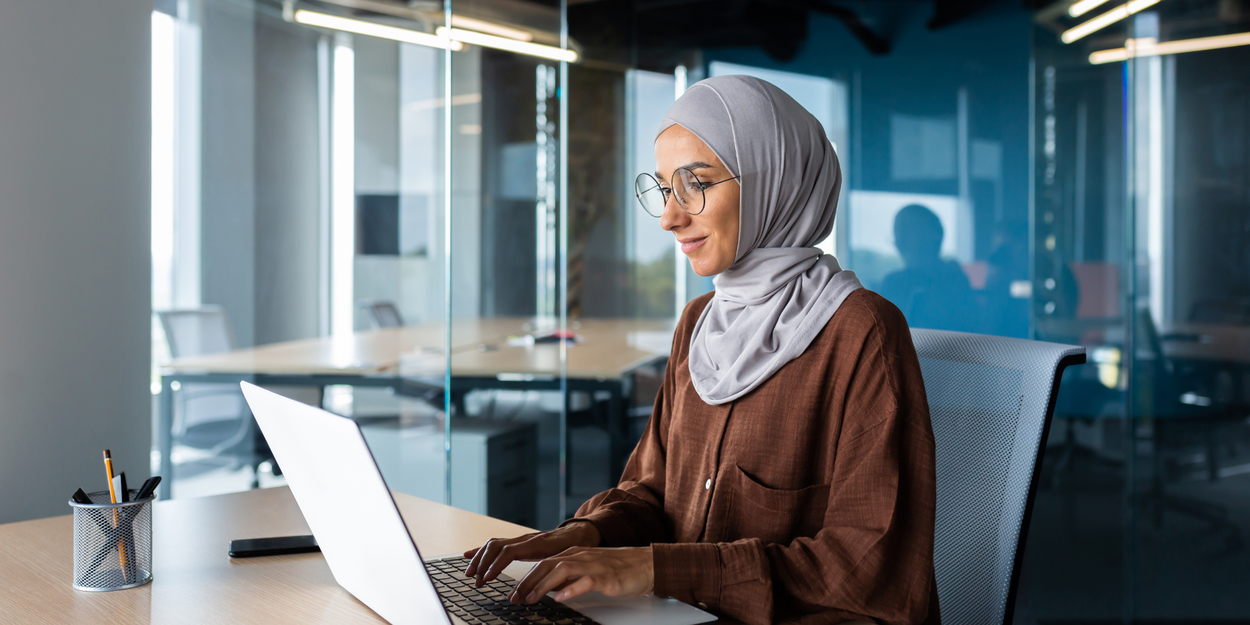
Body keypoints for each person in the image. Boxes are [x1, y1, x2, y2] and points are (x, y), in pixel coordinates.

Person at [463, 75, 941, 625]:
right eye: (665, 188)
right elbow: (651, 493)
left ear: (773, 183)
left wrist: (655, 570)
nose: (670, 216)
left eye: (696, 184)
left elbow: (867, 572)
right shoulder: (699, 323)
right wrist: (575, 537)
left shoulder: (862, 332)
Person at [877, 204, 976, 333]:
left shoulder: (954, 281)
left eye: (907, 231)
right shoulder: (892, 283)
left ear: (933, 236)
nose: (900, 241)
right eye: (898, 234)